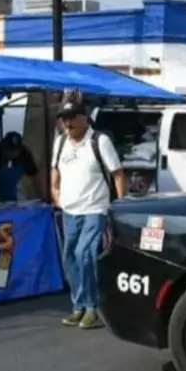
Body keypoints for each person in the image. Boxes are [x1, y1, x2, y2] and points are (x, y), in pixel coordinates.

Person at [51, 100, 126, 329]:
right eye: (64, 118)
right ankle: (78, 307)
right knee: (70, 257)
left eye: (72, 117)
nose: (67, 122)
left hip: (94, 208)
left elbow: (118, 174)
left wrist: (119, 205)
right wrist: (56, 195)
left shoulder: (99, 141)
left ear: (84, 118)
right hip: (70, 210)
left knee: (85, 254)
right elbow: (55, 172)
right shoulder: (61, 142)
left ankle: (92, 307)